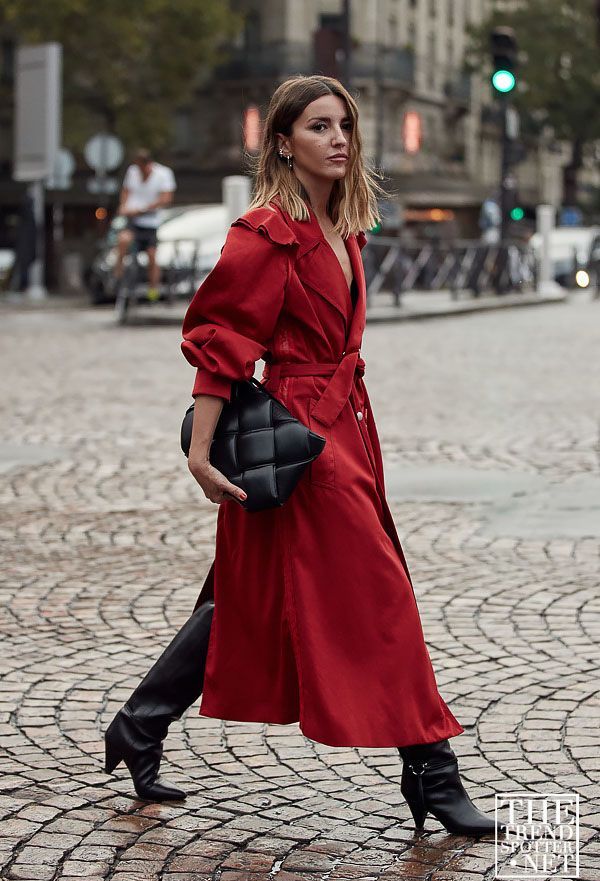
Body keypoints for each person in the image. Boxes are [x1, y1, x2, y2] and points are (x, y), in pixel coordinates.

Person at [105, 76, 500, 837]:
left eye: (345, 125)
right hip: (301, 436)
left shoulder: (345, 227)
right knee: (382, 594)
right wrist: (198, 451)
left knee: (250, 596)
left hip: (346, 425)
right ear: (283, 141)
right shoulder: (264, 233)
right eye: (319, 126)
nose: (340, 138)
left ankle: (139, 725)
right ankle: (433, 771)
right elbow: (221, 345)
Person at [114, 148, 176, 301]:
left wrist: (144, 209)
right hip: (133, 220)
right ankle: (118, 276)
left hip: (150, 222)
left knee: (152, 254)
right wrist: (124, 206)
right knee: (123, 240)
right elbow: (126, 191)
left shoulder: (163, 174)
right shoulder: (132, 172)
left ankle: (153, 289)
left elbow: (166, 198)